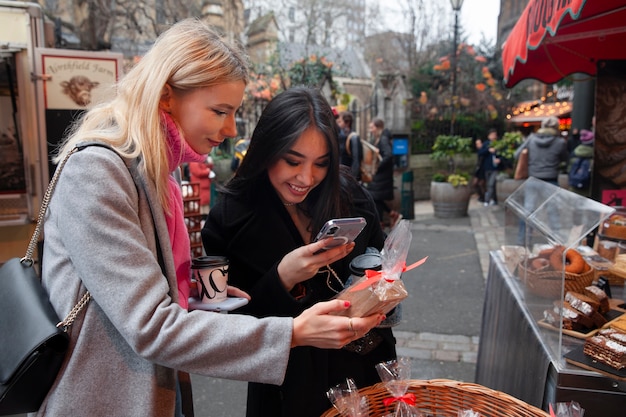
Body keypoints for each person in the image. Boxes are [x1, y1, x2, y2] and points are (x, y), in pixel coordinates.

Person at [39, 19, 384, 417]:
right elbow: (151, 325)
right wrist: (292, 332)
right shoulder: (98, 172)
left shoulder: (156, 172)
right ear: (167, 96)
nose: (232, 128)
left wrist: (198, 296)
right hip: (101, 398)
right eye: (220, 110)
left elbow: (135, 292)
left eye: (235, 112)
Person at [201, 87, 397, 417]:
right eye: (292, 161)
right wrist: (282, 278)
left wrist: (383, 293)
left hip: (368, 374)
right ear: (266, 150)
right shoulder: (230, 219)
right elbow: (227, 331)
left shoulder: (351, 196)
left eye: (321, 164)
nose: (305, 178)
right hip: (289, 390)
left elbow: (383, 265)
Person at [514, 116, 569, 245]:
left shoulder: (531, 139)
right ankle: (556, 244)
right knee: (553, 214)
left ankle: (522, 242)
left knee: (528, 213)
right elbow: (565, 160)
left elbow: (517, 155)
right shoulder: (560, 143)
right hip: (551, 181)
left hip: (532, 181)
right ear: (556, 128)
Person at [365, 117, 400, 227]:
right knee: (374, 197)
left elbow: (388, 155)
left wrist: (378, 167)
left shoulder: (383, 139)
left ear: (378, 127)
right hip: (381, 176)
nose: (371, 130)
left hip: (382, 176)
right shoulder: (378, 139)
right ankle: (389, 215)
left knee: (374, 197)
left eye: (372, 127)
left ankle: (381, 222)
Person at [477, 129, 502, 206]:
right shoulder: (486, 144)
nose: (494, 136)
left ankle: (487, 200)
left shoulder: (499, 144)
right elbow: (480, 153)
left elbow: (502, 154)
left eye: (495, 135)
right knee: (489, 184)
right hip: (487, 167)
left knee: (491, 184)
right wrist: (488, 150)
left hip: (495, 168)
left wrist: (499, 159)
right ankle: (493, 199)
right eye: (492, 135)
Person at [337, 110, 363, 181]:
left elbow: (356, 160)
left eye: (340, 122)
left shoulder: (353, 137)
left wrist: (352, 180)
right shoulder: (342, 137)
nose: (337, 124)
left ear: (347, 123)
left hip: (349, 179)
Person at [567, 128, 594, 196]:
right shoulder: (594, 156)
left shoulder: (574, 153)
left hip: (574, 190)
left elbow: (569, 170)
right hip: (588, 192)